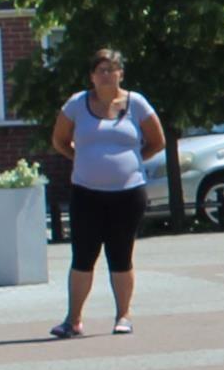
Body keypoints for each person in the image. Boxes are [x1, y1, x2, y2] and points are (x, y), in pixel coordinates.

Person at [50, 48, 165, 340]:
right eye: (100, 69)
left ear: (120, 74)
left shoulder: (136, 103)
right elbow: (60, 140)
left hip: (127, 194)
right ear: (91, 75)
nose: (105, 75)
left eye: (111, 69)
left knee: (121, 254)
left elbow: (156, 141)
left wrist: (131, 162)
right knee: (83, 256)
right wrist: (81, 158)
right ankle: (73, 320)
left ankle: (123, 315)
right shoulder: (77, 104)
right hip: (86, 193)